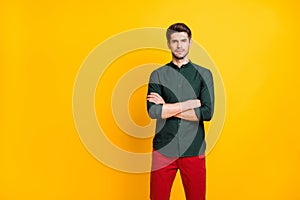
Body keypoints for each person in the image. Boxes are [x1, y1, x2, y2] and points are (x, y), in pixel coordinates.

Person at [146, 23, 215, 200]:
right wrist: (189, 104)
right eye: (175, 41)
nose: (179, 45)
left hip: (194, 150)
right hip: (163, 150)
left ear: (190, 42)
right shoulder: (158, 75)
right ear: (168, 44)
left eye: (183, 40)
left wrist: (167, 108)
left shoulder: (204, 74)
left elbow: (206, 113)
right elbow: (154, 111)